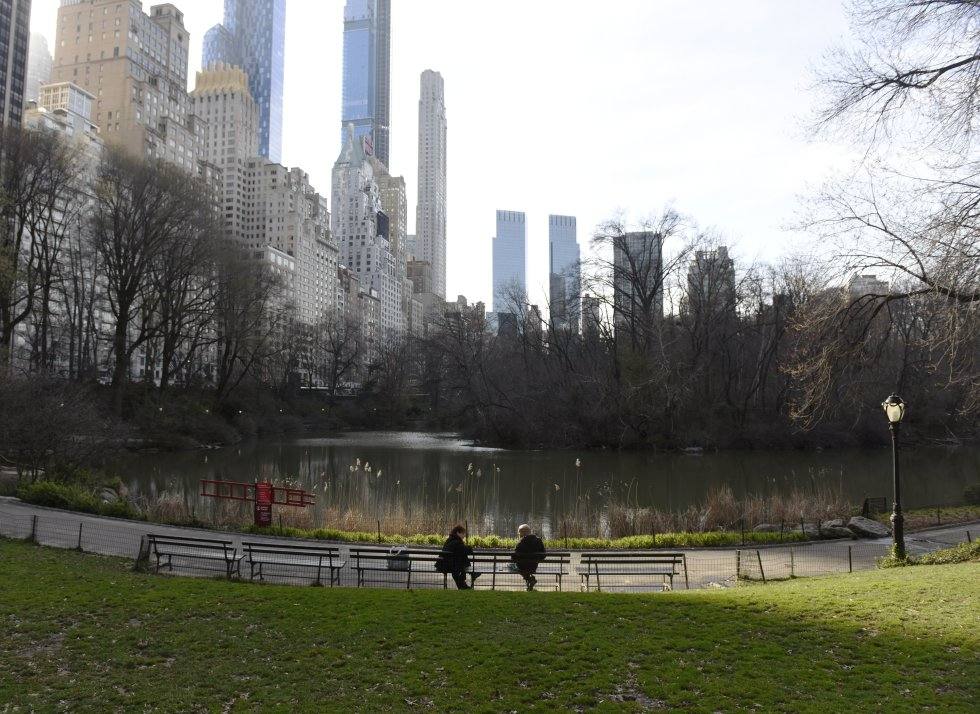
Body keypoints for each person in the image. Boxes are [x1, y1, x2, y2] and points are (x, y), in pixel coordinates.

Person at [435, 524, 476, 589]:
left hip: (445, 564)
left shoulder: (451, 539)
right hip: (447, 565)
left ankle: (463, 584)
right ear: (458, 533)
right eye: (463, 533)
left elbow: (461, 551)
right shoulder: (456, 541)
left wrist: (467, 548)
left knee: (460, 560)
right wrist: (469, 548)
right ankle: (463, 584)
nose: (464, 536)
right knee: (459, 564)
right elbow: (465, 550)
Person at [512, 523, 546, 591]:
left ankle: (529, 579)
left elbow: (514, 557)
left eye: (519, 533)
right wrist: (537, 559)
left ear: (522, 533)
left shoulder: (520, 543)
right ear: (529, 532)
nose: (519, 535)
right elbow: (544, 554)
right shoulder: (538, 540)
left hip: (522, 567)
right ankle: (529, 581)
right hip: (534, 566)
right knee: (523, 568)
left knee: (512, 566)